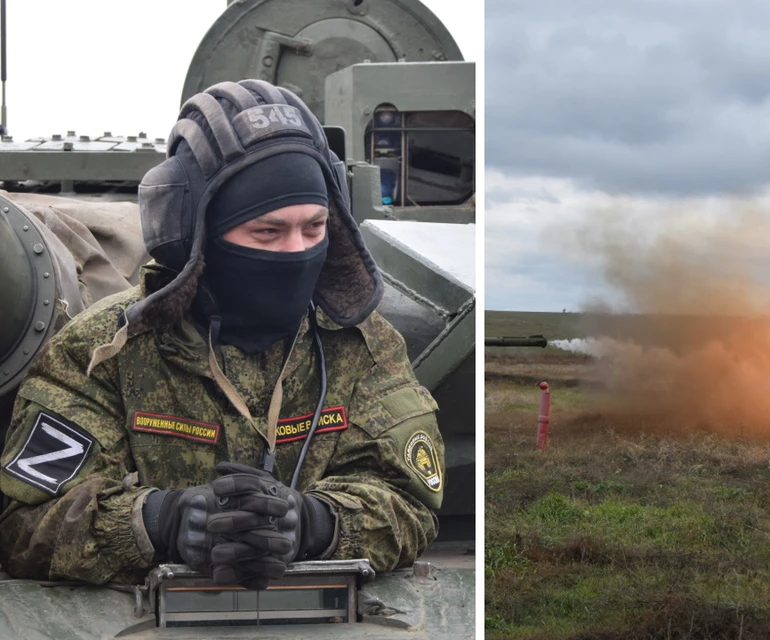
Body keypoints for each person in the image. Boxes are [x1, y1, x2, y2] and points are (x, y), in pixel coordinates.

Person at [0, 80, 444, 590]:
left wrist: (317, 524)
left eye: (314, 228)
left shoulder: (363, 343)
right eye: (267, 232)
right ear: (197, 232)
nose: (295, 251)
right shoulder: (103, 351)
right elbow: (23, 525)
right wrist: (159, 522)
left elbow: (411, 501)